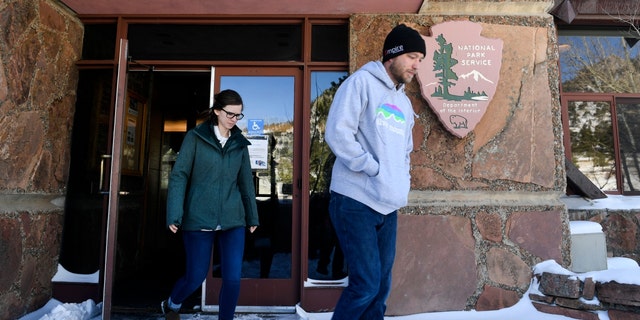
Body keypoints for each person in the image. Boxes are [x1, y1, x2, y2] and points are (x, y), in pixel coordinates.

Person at [324, 24, 426, 320]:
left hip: (388, 204)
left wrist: (399, 181)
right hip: (355, 200)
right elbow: (338, 133)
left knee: (380, 289)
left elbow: (405, 151)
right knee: (365, 285)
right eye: (411, 56)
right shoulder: (360, 84)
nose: (417, 64)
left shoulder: (404, 103)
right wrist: (371, 168)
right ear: (391, 55)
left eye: (420, 58)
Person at [161, 89, 259, 320]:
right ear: (216, 111)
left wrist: (252, 216)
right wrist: (175, 213)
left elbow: (246, 182)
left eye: (239, 115)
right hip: (199, 217)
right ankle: (172, 304)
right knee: (195, 277)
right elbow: (179, 175)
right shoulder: (196, 138)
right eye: (230, 114)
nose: (235, 120)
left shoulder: (239, 144)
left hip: (233, 219)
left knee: (233, 278)